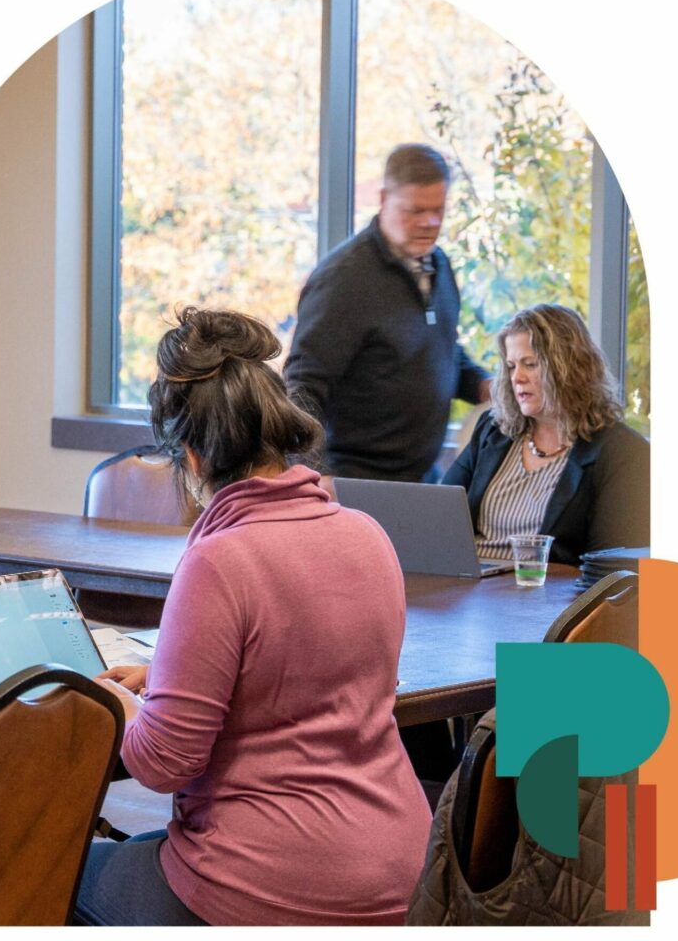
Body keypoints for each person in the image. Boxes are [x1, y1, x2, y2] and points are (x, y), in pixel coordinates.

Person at [75, 307, 431, 927]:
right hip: (400, 877)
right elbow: (302, 674)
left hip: (269, 886)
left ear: (191, 458)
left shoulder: (220, 560)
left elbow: (163, 764)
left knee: (44, 871)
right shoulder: (369, 535)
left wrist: (129, 705)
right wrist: (168, 674)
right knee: (135, 854)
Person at [284, 143, 490, 484]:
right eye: (415, 210)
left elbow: (439, 349)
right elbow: (303, 387)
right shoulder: (343, 279)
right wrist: (315, 478)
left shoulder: (437, 265)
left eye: (438, 210)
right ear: (383, 200)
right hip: (352, 481)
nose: (430, 222)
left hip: (421, 479)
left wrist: (484, 386)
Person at [443, 304, 649, 566]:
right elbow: (441, 517)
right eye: (511, 366)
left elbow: (608, 569)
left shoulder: (622, 452)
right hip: (469, 588)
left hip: (547, 598)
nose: (517, 377)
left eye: (530, 364)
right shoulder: (493, 430)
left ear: (569, 368)